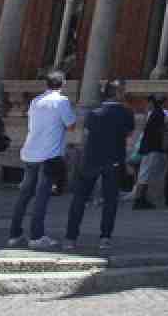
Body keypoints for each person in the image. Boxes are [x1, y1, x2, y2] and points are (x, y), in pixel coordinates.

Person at [7, 71, 78, 249]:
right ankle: (37, 236)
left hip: (30, 152)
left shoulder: (35, 101)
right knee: (41, 196)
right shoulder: (61, 101)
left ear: (46, 84)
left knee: (24, 195)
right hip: (49, 154)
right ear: (63, 84)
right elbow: (71, 125)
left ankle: (14, 234)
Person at [65, 80, 134, 250]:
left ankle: (70, 238)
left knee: (79, 198)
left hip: (91, 159)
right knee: (110, 200)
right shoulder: (126, 112)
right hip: (113, 159)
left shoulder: (93, 113)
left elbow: (86, 135)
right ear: (117, 93)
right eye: (123, 90)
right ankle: (105, 238)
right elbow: (129, 134)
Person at [131, 96, 167, 210]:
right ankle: (139, 200)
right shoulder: (159, 113)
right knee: (145, 174)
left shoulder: (154, 113)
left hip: (147, 147)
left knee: (144, 173)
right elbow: (156, 131)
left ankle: (140, 199)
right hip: (151, 148)